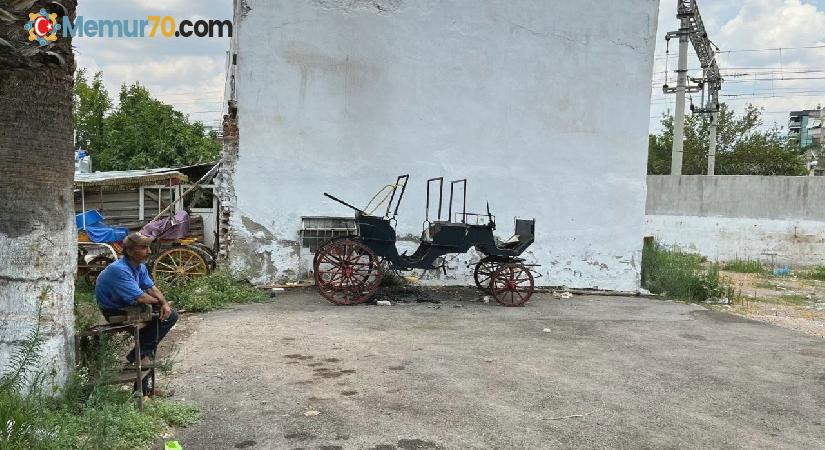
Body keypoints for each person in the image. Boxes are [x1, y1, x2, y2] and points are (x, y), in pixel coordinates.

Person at [95, 232, 178, 393]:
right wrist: (161, 303)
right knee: (160, 324)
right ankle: (136, 360)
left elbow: (151, 288)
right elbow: (141, 297)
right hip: (114, 310)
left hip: (128, 306)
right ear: (130, 251)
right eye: (144, 248)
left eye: (148, 247)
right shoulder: (119, 270)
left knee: (154, 332)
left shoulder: (139, 266)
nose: (149, 251)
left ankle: (143, 384)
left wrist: (165, 303)